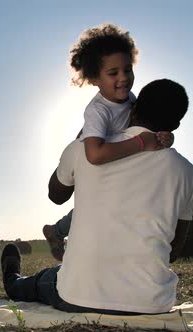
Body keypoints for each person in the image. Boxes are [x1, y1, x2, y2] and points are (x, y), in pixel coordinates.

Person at [2, 79, 193, 315]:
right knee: (63, 273)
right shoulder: (187, 172)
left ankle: (13, 279)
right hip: (151, 304)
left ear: (133, 109)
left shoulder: (84, 149)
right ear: (175, 125)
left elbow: (55, 195)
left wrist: (84, 135)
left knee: (46, 280)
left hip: (77, 297)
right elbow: (173, 252)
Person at [42, 23, 173, 260]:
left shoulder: (130, 97)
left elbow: (146, 122)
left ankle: (57, 231)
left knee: (99, 204)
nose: (123, 78)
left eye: (127, 69)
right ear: (94, 78)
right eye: (113, 73)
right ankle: (57, 231)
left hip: (113, 156)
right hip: (88, 155)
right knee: (71, 198)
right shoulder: (97, 111)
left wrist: (165, 136)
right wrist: (142, 143)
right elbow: (93, 154)